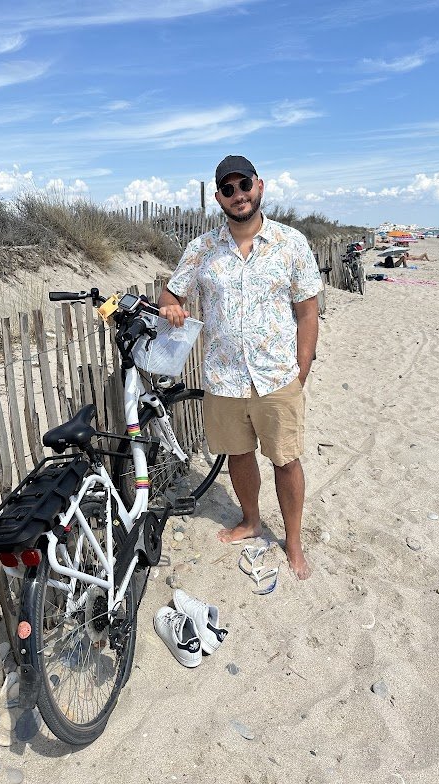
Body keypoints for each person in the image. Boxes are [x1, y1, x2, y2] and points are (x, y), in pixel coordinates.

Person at [158, 155, 323, 580]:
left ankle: (294, 542)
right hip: (224, 377)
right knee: (239, 455)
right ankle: (250, 520)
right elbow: (170, 294)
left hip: (277, 376)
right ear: (218, 198)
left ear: (259, 186)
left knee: (286, 460)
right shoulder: (202, 249)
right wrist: (171, 306)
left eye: (243, 185)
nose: (238, 195)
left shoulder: (291, 243)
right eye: (228, 190)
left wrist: (300, 371)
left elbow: (307, 313)